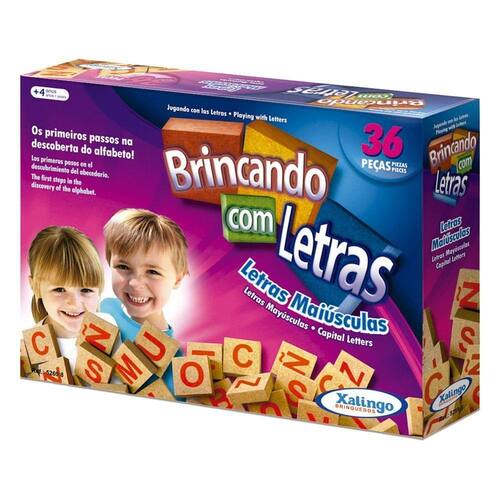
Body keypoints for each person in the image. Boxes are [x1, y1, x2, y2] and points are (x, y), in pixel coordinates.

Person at [100, 208, 189, 395]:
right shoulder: (105, 307)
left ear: (177, 279)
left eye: (153, 272)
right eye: (123, 266)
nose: (135, 283)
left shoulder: (174, 363)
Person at [27, 226, 115, 371]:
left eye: (86, 290)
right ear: (35, 287)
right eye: (59, 290)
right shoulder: (26, 349)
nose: (74, 303)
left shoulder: (109, 325)